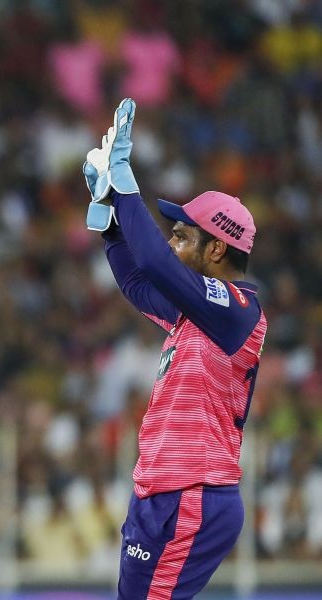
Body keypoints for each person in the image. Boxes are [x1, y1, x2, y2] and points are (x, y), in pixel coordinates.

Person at [83, 98, 267, 599]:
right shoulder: (197, 315)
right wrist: (108, 215)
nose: (173, 245)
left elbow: (155, 264)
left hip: (196, 495)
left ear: (216, 250)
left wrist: (124, 181)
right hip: (159, 493)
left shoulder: (238, 311)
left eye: (183, 237)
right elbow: (138, 282)